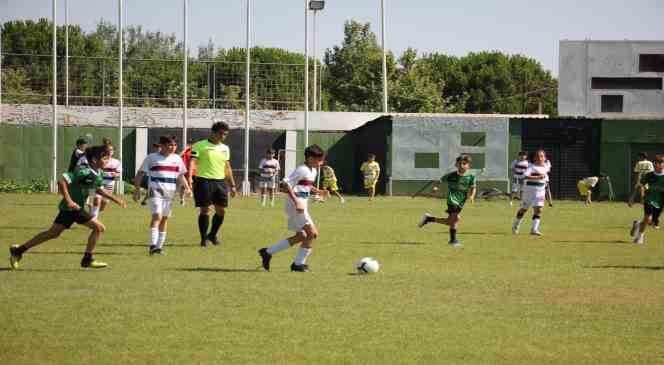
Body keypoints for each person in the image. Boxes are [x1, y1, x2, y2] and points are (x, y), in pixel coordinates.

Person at [9, 146, 126, 270]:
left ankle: (18, 251)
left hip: (76, 208)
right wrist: (69, 201)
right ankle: (87, 259)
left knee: (52, 233)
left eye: (108, 158)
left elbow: (96, 189)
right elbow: (62, 182)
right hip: (70, 208)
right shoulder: (83, 171)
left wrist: (115, 199)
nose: (107, 160)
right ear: (94, 160)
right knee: (98, 228)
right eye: (104, 158)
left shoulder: (99, 174)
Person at [258, 145, 329, 272]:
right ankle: (298, 264)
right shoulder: (302, 169)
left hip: (302, 204)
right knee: (312, 234)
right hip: (296, 204)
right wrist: (296, 202)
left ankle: (268, 252)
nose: (321, 162)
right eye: (319, 159)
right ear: (310, 158)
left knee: (302, 236)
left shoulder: (313, 170)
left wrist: (318, 191)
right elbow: (286, 184)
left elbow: (305, 185)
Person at [133, 136, 191, 255]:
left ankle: (159, 247)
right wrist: (137, 190)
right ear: (162, 145)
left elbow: (180, 176)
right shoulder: (151, 157)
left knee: (164, 219)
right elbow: (140, 174)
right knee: (157, 216)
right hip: (155, 191)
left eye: (174, 145)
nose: (173, 147)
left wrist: (188, 188)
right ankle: (152, 245)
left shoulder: (177, 159)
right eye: (170, 145)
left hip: (170, 193)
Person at [189, 122, 237, 247]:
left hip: (220, 182)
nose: (223, 136)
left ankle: (212, 234)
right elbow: (192, 161)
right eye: (221, 133)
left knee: (221, 211)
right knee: (205, 210)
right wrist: (189, 177)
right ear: (213, 132)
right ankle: (203, 238)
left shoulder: (225, 148)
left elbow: (227, 167)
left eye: (225, 134)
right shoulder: (200, 145)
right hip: (203, 180)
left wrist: (232, 185)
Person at [418, 154, 476, 247]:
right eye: (459, 164)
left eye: (464, 164)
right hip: (452, 200)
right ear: (456, 165)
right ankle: (453, 241)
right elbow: (440, 180)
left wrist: (472, 196)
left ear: (468, 165)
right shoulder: (451, 175)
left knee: (451, 221)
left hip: (461, 201)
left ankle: (429, 219)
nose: (462, 166)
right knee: (455, 218)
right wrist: (435, 187)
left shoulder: (471, 177)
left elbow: (473, 188)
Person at [512, 150, 549, 235]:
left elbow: (545, 177)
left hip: (540, 192)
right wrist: (538, 177)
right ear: (534, 158)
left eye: (542, 156)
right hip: (529, 192)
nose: (540, 158)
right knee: (523, 210)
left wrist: (544, 182)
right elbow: (525, 176)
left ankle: (534, 229)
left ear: (544, 158)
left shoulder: (545, 167)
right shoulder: (531, 167)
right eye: (538, 156)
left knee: (539, 210)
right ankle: (516, 225)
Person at [630, 154, 664, 244]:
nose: (658, 165)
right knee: (648, 217)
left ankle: (637, 224)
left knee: (652, 222)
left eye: (661, 163)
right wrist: (632, 198)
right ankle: (640, 237)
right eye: (656, 163)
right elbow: (639, 186)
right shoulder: (649, 175)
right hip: (649, 198)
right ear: (653, 164)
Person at [90, 137, 122, 219]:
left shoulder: (116, 162)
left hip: (109, 183)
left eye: (111, 151)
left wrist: (115, 174)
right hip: (98, 182)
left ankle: (92, 214)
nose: (109, 152)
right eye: (108, 150)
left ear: (113, 152)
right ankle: (93, 220)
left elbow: (118, 173)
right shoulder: (98, 159)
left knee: (103, 204)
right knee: (96, 200)